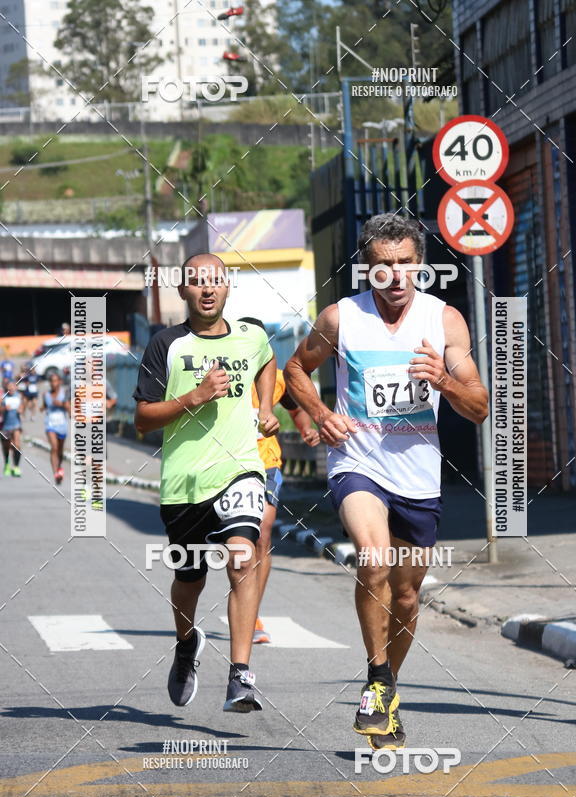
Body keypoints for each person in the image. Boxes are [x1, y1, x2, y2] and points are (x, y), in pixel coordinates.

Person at [284, 213, 488, 749]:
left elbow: (480, 406)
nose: (394, 276)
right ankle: (376, 679)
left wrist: (442, 380)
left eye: (404, 264)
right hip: (358, 462)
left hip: (418, 474)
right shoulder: (339, 318)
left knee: (406, 598)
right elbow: (295, 370)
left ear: (420, 264)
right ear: (365, 268)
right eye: (381, 266)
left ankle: (386, 690)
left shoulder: (444, 322)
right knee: (372, 560)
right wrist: (322, 414)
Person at [134, 253, 279, 713]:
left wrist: (266, 408)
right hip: (184, 483)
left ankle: (240, 676)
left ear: (227, 287)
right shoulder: (166, 345)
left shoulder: (250, 336)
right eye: (197, 282)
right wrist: (194, 397)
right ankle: (184, 643)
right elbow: (142, 418)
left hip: (240, 468)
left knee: (242, 557)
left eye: (215, 280)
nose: (207, 289)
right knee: (189, 579)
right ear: (183, 291)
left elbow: (267, 360)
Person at [240, 317, 320, 645]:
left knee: (262, 535)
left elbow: (294, 405)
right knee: (240, 545)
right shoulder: (224, 375)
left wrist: (306, 429)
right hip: (227, 466)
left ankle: (252, 613)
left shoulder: (277, 378)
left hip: (267, 463)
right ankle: (241, 601)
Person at [41, 372, 70, 484]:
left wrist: (61, 405)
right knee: (54, 447)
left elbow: (69, 408)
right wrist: (42, 408)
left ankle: (59, 466)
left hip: (62, 425)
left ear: (60, 382)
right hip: (50, 424)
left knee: (60, 450)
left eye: (55, 381)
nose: (53, 383)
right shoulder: (46, 394)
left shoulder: (65, 394)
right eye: (51, 381)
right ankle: (56, 473)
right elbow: (44, 405)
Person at [1, 381, 24, 477]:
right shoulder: (3, 398)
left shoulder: (19, 397)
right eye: (9, 387)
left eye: (13, 387)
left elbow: (22, 408)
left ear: (16, 388)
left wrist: (20, 410)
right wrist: (4, 408)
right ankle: (7, 463)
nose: (11, 389)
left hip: (16, 425)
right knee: (6, 446)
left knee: (17, 445)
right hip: (5, 425)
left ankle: (16, 467)